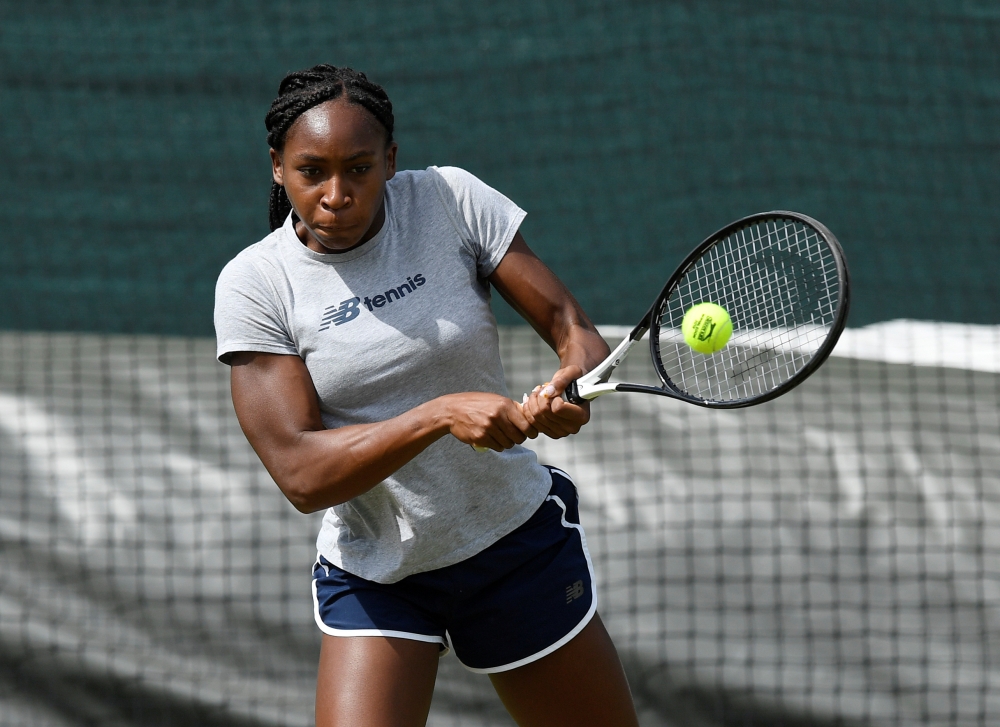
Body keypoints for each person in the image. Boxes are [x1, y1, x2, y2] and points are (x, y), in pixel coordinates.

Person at [214, 64, 639, 727]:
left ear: (390, 159)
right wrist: (441, 413)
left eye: (358, 168)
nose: (336, 193)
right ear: (277, 167)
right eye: (311, 171)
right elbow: (300, 474)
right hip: (378, 574)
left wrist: (571, 384)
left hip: (512, 543)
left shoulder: (450, 200)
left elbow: (570, 328)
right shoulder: (256, 285)